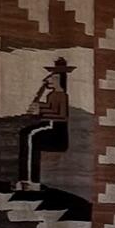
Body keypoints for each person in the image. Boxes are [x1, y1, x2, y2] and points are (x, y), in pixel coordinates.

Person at [16, 58, 72, 191]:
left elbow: (62, 115)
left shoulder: (61, 95)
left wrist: (40, 108)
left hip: (55, 129)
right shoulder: (52, 95)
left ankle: (30, 180)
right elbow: (49, 111)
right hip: (48, 125)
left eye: (53, 77)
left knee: (29, 136)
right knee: (26, 134)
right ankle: (27, 179)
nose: (48, 79)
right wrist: (39, 110)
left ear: (59, 79)